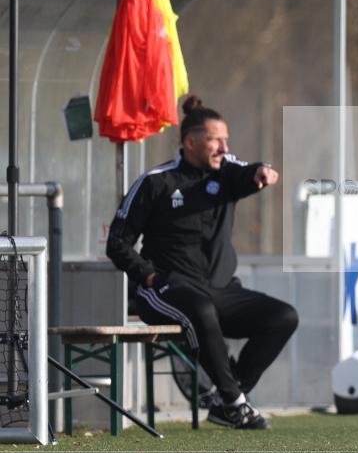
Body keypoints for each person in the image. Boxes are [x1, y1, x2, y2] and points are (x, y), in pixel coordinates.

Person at [106, 96, 298, 430]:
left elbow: (245, 172)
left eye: (226, 140)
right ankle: (235, 404)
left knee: (282, 317)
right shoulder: (155, 182)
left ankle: (227, 396)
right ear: (191, 142)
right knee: (201, 309)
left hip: (218, 291)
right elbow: (117, 243)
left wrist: (261, 171)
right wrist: (148, 276)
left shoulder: (225, 175)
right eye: (215, 140)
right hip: (165, 291)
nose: (224, 147)